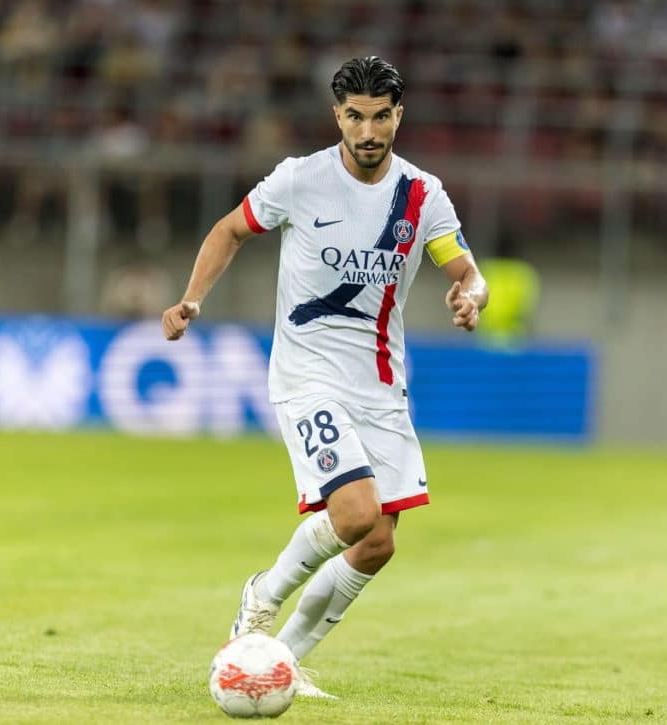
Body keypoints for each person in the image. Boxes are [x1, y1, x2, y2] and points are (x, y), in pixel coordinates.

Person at [161, 56, 488, 699]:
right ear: (337, 116)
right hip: (307, 372)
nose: (369, 131)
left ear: (399, 115)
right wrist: (193, 298)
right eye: (355, 117)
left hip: (380, 384)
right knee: (357, 510)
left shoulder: (422, 195)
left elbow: (464, 269)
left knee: (378, 544)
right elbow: (230, 230)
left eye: (381, 116)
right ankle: (263, 594)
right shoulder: (298, 180)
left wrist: (471, 295)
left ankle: (283, 659)